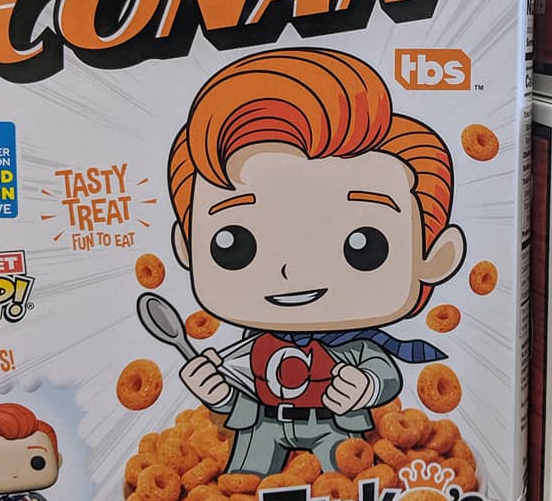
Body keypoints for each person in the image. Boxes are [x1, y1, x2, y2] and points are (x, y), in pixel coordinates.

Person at [165, 47, 466, 475]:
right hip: (262, 430)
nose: (293, 272)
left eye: (364, 245)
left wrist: (365, 388)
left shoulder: (358, 349)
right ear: (187, 248)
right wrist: (218, 394)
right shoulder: (244, 351)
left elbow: (383, 375)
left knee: (349, 480)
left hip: (336, 431)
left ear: (434, 258)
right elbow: (242, 396)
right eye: (234, 244)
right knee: (245, 478)